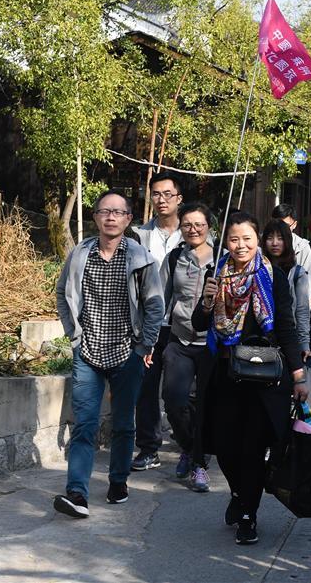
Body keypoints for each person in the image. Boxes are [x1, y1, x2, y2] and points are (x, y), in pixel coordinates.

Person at [192, 211, 306, 545]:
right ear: (225, 242)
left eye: (247, 238)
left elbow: (286, 325)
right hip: (223, 374)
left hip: (261, 376)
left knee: (252, 448)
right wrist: (207, 302)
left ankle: (248, 514)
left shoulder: (273, 275)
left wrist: (299, 374)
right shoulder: (217, 273)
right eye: (234, 239)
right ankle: (238, 493)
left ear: (258, 240)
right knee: (225, 447)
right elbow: (199, 324)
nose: (240, 245)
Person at [53, 190, 164, 518]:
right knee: (84, 424)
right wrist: (73, 335)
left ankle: (118, 481)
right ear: (95, 217)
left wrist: (145, 345)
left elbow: (154, 305)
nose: (111, 217)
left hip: (127, 352)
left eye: (118, 212)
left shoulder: (141, 258)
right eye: (105, 211)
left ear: (128, 219)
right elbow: (62, 293)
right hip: (87, 351)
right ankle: (77, 493)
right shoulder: (80, 253)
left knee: (123, 423)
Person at [160, 203, 216, 492]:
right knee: (174, 400)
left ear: (209, 226)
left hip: (212, 343)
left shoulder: (223, 258)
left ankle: (198, 464)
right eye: (187, 225)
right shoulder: (174, 258)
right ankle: (189, 447)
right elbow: (160, 298)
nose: (193, 230)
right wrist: (148, 340)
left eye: (199, 224)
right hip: (179, 339)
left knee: (205, 406)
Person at [131, 172, 184, 472]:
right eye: (156, 194)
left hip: (182, 326)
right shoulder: (139, 235)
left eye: (167, 194)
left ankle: (191, 445)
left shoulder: (193, 233)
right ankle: (149, 448)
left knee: (180, 393)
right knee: (146, 388)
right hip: (148, 324)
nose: (161, 200)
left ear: (179, 198)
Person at [263, 219, 311, 361]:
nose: (275, 243)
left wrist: (304, 344)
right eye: (270, 238)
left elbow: (302, 311)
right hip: (261, 337)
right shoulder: (257, 269)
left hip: (287, 337)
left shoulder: (297, 273)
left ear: (288, 241)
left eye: (280, 238)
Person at [271, 203, 311, 282]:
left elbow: (307, 280)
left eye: (286, 226)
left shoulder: (302, 247)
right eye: (277, 224)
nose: (281, 229)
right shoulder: (263, 243)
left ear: (294, 225)